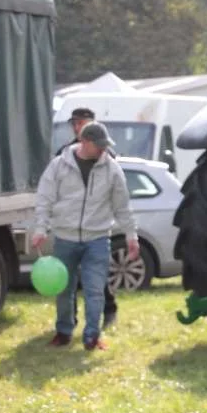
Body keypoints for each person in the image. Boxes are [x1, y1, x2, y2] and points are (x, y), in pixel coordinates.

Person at [32, 122, 138, 350]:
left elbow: (122, 206)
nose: (103, 150)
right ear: (84, 142)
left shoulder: (112, 170)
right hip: (65, 238)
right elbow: (45, 199)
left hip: (97, 239)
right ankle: (63, 332)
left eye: (104, 146)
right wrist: (41, 228)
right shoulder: (59, 166)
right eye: (98, 145)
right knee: (63, 290)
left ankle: (92, 336)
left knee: (95, 290)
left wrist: (132, 236)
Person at [57, 108, 120, 329]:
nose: (77, 126)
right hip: (70, 228)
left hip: (96, 228)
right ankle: (69, 321)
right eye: (74, 123)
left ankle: (108, 311)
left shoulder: (106, 155)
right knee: (67, 281)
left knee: (97, 278)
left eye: (81, 122)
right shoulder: (63, 153)